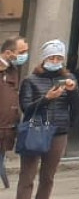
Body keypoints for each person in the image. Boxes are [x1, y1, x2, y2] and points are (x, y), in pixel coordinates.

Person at [16, 41, 77, 199]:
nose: (55, 62)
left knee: (48, 177)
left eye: (59, 58)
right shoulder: (31, 80)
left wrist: (73, 91)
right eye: (52, 58)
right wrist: (46, 98)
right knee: (27, 176)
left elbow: (77, 106)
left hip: (58, 131)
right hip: (34, 130)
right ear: (44, 59)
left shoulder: (67, 78)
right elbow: (26, 108)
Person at [0, 37, 27, 186]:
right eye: (21, 52)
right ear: (9, 52)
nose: (24, 55)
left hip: (7, 125)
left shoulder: (12, 70)